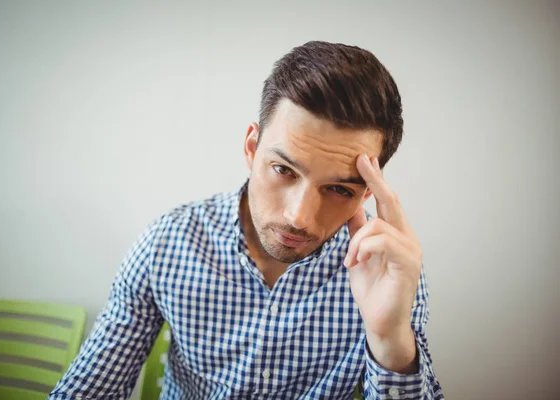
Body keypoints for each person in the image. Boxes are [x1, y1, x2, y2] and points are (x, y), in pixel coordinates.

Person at [49, 41, 444, 400]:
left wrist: (390, 339)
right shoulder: (168, 244)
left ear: (368, 191)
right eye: (284, 170)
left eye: (339, 189)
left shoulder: (385, 267)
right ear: (252, 148)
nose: (298, 217)